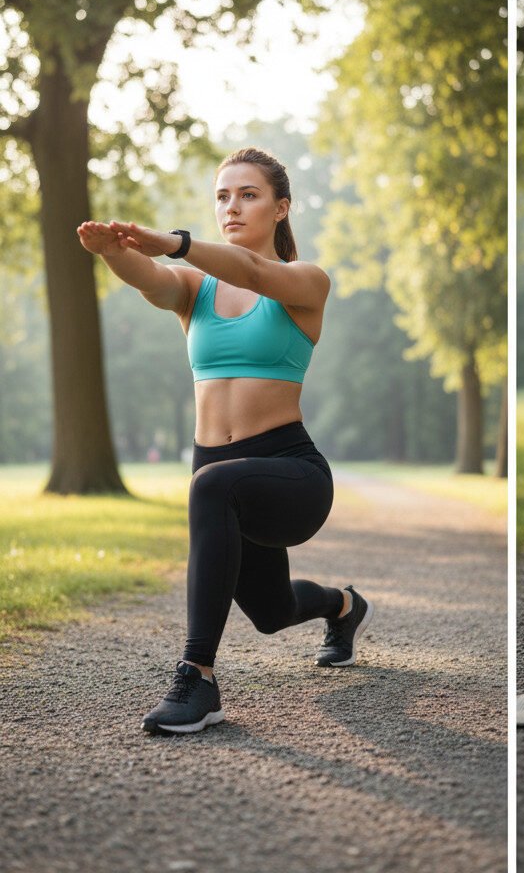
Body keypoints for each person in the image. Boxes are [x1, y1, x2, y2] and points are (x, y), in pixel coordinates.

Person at [77, 146, 374, 734]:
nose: (231, 207)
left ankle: (199, 679)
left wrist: (175, 241)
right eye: (222, 196)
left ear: (281, 207)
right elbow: (152, 281)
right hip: (223, 474)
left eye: (248, 194)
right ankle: (344, 606)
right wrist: (113, 252)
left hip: (290, 474)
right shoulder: (196, 291)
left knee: (212, 486)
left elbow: (256, 272)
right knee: (272, 613)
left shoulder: (305, 281)